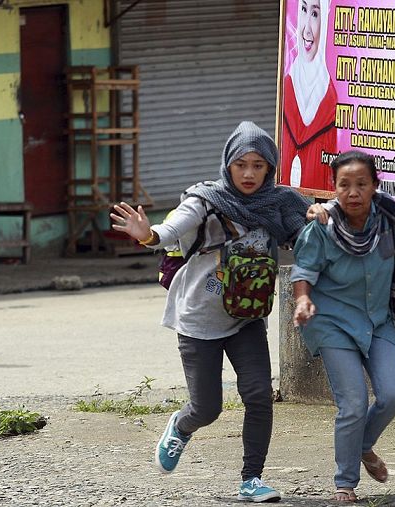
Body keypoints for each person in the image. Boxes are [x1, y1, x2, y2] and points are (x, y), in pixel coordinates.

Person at [110, 121, 310, 503]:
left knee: (258, 395)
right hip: (198, 317)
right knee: (207, 407)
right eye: (241, 164)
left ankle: (251, 479)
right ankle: (182, 426)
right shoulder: (205, 200)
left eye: (258, 165)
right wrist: (147, 234)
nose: (249, 173)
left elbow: (309, 241)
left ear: (270, 168)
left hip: (246, 316)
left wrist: (326, 221)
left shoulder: (280, 203)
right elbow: (170, 231)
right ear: (227, 165)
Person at [291, 151, 395, 503]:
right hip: (333, 322)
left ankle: (362, 446)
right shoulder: (321, 227)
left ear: (375, 186)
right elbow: (302, 271)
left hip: (380, 320)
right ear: (333, 188)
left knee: (394, 395)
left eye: (361, 184)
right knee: (353, 403)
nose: (352, 192)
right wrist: (303, 300)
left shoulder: (390, 221)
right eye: (344, 185)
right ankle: (344, 483)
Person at [279, 0, 337, 192]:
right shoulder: (285, 90)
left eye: (315, 14)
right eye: (304, 9)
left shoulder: (332, 105)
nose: (306, 31)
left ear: (326, 19)